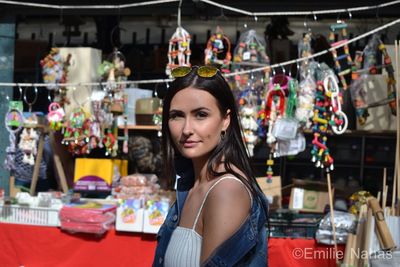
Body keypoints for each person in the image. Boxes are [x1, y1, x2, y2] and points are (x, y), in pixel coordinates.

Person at [153, 66, 269, 267]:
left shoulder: (226, 190)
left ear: (225, 120)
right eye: (177, 116)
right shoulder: (191, 185)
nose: (187, 129)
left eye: (201, 115)